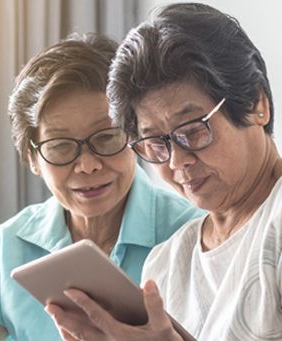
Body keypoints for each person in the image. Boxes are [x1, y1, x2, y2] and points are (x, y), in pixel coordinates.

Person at [0, 33, 202, 341]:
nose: (87, 165)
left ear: (135, 138)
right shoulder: (9, 245)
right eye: (61, 146)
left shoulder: (192, 234)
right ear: (33, 158)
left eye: (106, 138)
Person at [45, 3, 282, 341]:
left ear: (257, 104)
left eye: (193, 130)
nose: (176, 161)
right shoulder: (168, 263)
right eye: (156, 143)